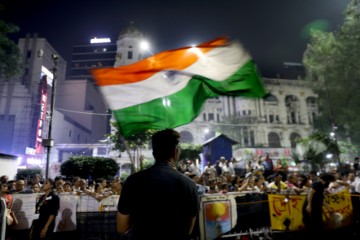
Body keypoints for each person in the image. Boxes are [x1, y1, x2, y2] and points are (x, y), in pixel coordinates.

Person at [117, 129, 199, 240]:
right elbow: (188, 229)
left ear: (154, 152)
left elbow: (122, 228)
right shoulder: (189, 185)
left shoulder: (133, 181)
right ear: (176, 152)